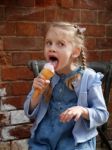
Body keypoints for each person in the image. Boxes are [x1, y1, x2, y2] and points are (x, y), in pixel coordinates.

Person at [24, 22, 109, 150]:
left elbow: (102, 115)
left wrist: (82, 110)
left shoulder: (88, 78)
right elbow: (28, 112)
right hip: (44, 139)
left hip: (74, 142)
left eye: (60, 44)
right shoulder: (45, 76)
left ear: (75, 52)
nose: (52, 48)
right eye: (49, 43)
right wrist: (37, 93)